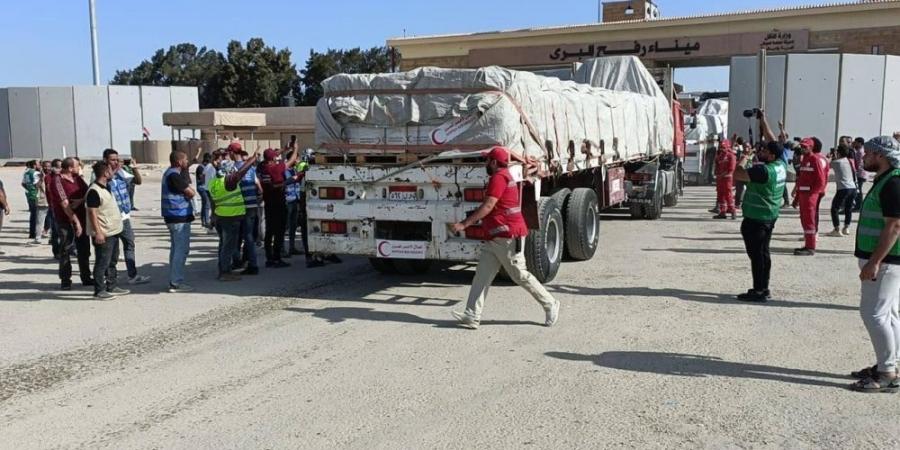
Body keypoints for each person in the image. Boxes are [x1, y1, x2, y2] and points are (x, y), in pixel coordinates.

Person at [450, 147, 560, 329]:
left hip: (508, 237)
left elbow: (488, 206)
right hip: (495, 237)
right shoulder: (501, 176)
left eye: (487, 161)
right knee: (482, 276)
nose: (485, 164)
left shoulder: (499, 177)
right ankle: (472, 314)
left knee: (520, 275)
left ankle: (550, 304)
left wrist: (464, 224)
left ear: (493, 162)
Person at [849, 136, 900, 393]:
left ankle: (887, 372)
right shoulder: (887, 179)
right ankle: (890, 364)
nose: (863, 157)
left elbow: (894, 225)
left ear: (880, 156)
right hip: (885, 260)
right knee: (889, 314)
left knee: (874, 314)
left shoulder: (893, 182)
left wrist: (874, 261)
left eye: (867, 153)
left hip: (885, 261)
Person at [732, 112, 787, 303]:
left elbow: (737, 174)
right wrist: (763, 120)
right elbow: (773, 140)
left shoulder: (763, 170)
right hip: (769, 216)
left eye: (764, 151)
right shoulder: (781, 163)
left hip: (756, 218)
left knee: (757, 256)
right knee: (764, 253)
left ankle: (759, 290)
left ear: (771, 155)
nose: (761, 152)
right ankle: (763, 287)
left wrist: (746, 156)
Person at [103, 149, 151, 285]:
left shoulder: (121, 172)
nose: (116, 162)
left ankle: (132, 275)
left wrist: (134, 169)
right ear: (105, 160)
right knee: (112, 251)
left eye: (117, 159)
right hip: (111, 218)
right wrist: (111, 174)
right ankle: (109, 278)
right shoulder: (100, 173)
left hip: (124, 217)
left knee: (129, 244)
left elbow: (138, 181)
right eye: (113, 160)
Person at [210, 155, 258, 281]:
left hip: (221, 216)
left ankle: (223, 269)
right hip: (230, 217)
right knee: (228, 246)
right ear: (229, 170)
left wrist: (213, 216)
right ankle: (225, 273)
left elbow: (213, 201)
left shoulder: (215, 181)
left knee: (223, 244)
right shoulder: (229, 181)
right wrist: (251, 160)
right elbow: (241, 172)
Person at [86, 162, 130, 300]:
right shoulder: (94, 191)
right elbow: (92, 213)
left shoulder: (107, 187)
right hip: (103, 233)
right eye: (110, 171)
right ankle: (99, 290)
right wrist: (98, 232)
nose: (113, 173)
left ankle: (112, 285)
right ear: (105, 173)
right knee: (102, 262)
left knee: (112, 260)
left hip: (113, 231)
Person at [53, 157, 93, 290]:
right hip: (65, 220)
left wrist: (81, 201)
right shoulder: (57, 181)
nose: (79, 167)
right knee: (66, 248)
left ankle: (86, 277)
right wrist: (76, 222)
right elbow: (64, 204)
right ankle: (65, 280)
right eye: (77, 165)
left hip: (82, 218)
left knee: (84, 249)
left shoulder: (78, 178)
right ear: (70, 168)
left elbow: (89, 192)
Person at [161, 151, 196, 293]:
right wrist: (189, 194)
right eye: (186, 159)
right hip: (178, 216)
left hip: (173, 216)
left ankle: (174, 279)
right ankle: (176, 282)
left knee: (176, 249)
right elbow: (191, 192)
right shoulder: (174, 175)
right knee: (181, 250)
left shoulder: (169, 173)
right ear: (179, 161)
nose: (187, 162)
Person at [259, 148, 299, 268]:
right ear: (272, 158)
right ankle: (277, 257)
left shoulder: (262, 167)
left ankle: (269, 258)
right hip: (278, 203)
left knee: (269, 231)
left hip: (268, 203)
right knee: (279, 232)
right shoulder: (275, 168)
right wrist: (295, 148)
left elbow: (273, 157)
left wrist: (286, 148)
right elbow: (291, 161)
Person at [228, 143, 262, 275]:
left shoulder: (231, 168)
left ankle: (237, 262)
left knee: (235, 236)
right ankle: (253, 265)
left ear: (232, 153)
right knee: (249, 237)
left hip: (239, 207)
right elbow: (259, 188)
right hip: (252, 205)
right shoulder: (251, 169)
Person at [791, 137, 829, 256]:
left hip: (810, 195)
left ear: (811, 147)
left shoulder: (815, 159)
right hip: (803, 195)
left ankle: (810, 247)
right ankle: (807, 244)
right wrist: (797, 197)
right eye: (801, 146)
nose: (802, 149)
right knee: (804, 220)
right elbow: (801, 179)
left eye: (805, 147)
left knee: (809, 221)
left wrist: (813, 194)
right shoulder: (805, 159)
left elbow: (821, 180)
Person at [827, 145, 858, 237]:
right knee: (848, 208)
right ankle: (846, 228)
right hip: (853, 188)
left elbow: (826, 165)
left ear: (838, 153)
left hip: (843, 188)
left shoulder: (837, 162)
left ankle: (837, 229)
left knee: (834, 209)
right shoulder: (849, 160)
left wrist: (829, 157)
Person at [282, 151, 304, 258]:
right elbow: (284, 183)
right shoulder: (284, 170)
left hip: (295, 199)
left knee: (293, 226)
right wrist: (295, 178)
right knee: (285, 225)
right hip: (288, 200)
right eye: (297, 159)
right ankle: (282, 249)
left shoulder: (294, 170)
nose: (298, 161)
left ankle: (292, 247)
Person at [713, 139, 737, 220]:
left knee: (728, 195)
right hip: (720, 179)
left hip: (727, 179)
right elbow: (716, 166)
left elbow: (731, 169)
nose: (722, 149)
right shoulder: (719, 156)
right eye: (721, 147)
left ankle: (733, 211)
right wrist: (716, 173)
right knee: (720, 196)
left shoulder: (731, 156)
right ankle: (722, 212)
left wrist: (722, 175)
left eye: (723, 147)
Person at [22, 160, 41, 243]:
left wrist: (29, 189)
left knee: (33, 214)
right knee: (38, 215)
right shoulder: (36, 173)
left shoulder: (26, 172)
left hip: (29, 194)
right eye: (38, 164)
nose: (40, 165)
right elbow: (37, 185)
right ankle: (36, 232)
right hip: (36, 195)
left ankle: (32, 232)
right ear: (34, 165)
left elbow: (23, 183)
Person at [196, 153, 213, 230]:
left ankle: (203, 221)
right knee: (207, 204)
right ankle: (206, 221)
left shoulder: (205, 167)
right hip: (202, 187)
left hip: (204, 187)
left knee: (204, 204)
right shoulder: (201, 167)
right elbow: (202, 178)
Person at [851, 137, 868, 212]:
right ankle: (858, 205)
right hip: (862, 173)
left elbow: (858, 163)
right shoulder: (861, 150)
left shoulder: (860, 152)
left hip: (860, 173)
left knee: (858, 190)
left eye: (856, 142)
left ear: (860, 143)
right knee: (858, 189)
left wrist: (855, 171)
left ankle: (858, 205)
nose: (855, 143)